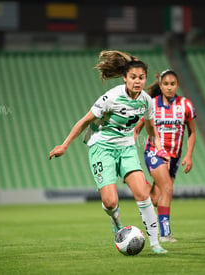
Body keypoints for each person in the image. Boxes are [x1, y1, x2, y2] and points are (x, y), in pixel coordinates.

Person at [49, 50, 168, 254]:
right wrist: (64, 145)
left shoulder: (146, 101)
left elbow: (150, 127)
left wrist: (158, 145)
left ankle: (156, 244)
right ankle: (116, 220)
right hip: (101, 147)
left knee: (142, 193)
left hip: (126, 148)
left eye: (141, 78)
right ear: (125, 78)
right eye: (133, 77)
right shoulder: (111, 97)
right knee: (110, 201)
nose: (137, 81)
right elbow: (84, 121)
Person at [134, 69, 196, 242]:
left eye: (172, 84)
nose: (169, 87)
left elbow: (192, 132)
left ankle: (139, 184)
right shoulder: (151, 104)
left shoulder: (186, 105)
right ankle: (165, 234)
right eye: (166, 84)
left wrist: (189, 155)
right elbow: (137, 129)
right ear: (160, 86)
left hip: (174, 156)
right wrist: (129, 149)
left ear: (177, 85)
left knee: (156, 198)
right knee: (168, 188)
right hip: (154, 152)